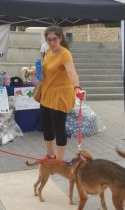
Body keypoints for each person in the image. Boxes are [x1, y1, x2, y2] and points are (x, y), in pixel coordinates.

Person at [39, 26, 83, 163]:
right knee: (46, 127)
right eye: (49, 40)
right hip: (46, 95)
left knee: (59, 129)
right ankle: (50, 155)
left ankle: (59, 161)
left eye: (54, 39)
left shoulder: (65, 54)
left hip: (60, 96)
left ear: (60, 38)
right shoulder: (47, 52)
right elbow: (45, 69)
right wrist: (35, 71)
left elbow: (71, 72)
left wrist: (76, 87)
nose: (52, 43)